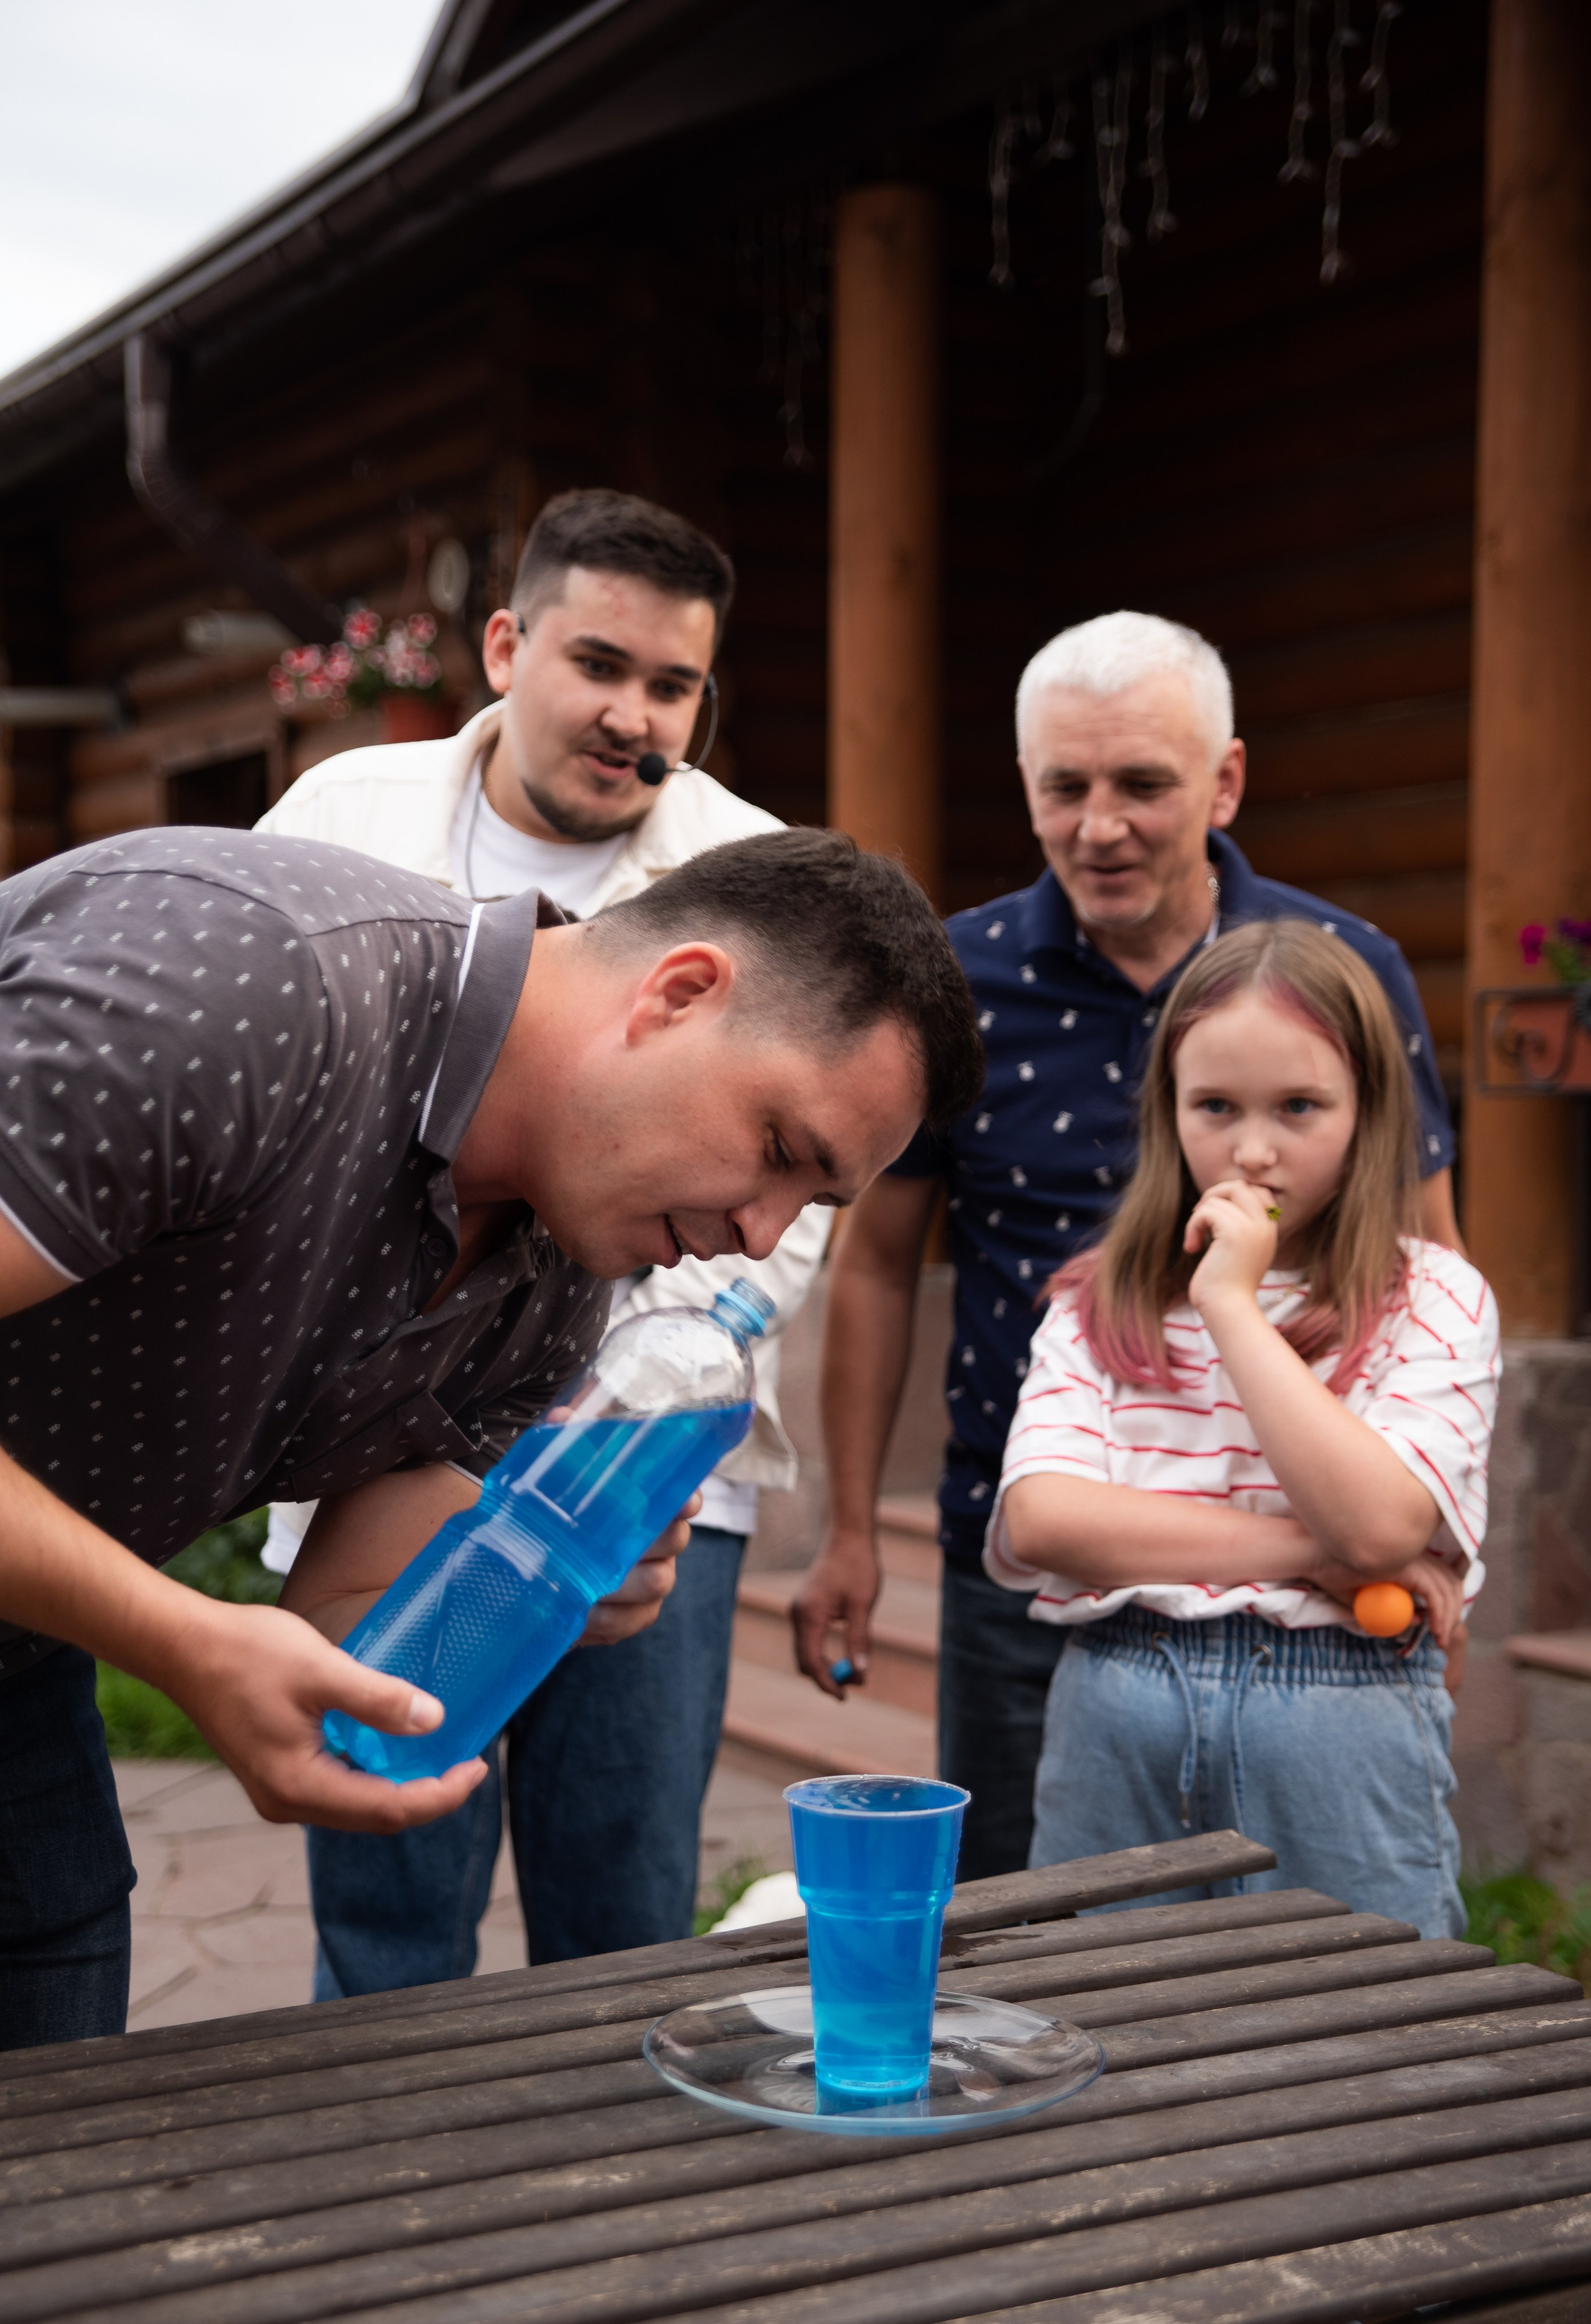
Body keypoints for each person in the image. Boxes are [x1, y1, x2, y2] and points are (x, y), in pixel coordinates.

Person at [0, 824, 981, 2048]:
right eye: (780, 1150)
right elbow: (222, 1643)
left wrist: (541, 1566)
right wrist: (183, 1637)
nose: (761, 1232)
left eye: (811, 1204)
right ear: (678, 993)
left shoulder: (563, 1275)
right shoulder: (256, 983)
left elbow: (342, 1637)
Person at [255, 488, 832, 1983]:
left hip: (640, 1478)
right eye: (599, 665)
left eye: (674, 686)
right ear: (507, 645)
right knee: (385, 1876)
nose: (633, 715)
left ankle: (606, 2208)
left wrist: (618, 1400)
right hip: (374, 1440)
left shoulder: (763, 876)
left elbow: (785, 1214)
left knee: (623, 1894)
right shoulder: (338, 816)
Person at [793, 611, 1462, 1881]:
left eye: (1141, 785)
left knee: (1314, 1936)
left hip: (1310, 1570)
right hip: (1035, 1546)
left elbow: (1424, 1253)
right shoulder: (955, 978)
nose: (1097, 825)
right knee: (1024, 1923)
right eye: (1064, 787)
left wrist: (1437, 1529)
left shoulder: (1345, 971)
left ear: (1224, 781)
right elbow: (874, 1263)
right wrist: (844, 1529)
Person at [984, 917, 1498, 1940]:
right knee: (1107, 2015)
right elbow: (1043, 1518)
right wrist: (1320, 1558)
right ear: (1167, 1110)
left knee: (1370, 2034)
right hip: (1117, 1700)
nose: (1253, 1150)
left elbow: (1383, 1521)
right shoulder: (1098, 1298)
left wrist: (1229, 1300)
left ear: (1368, 1112)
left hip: (1341, 1717)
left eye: (1300, 1107)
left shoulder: (1436, 1297)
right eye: (1215, 1107)